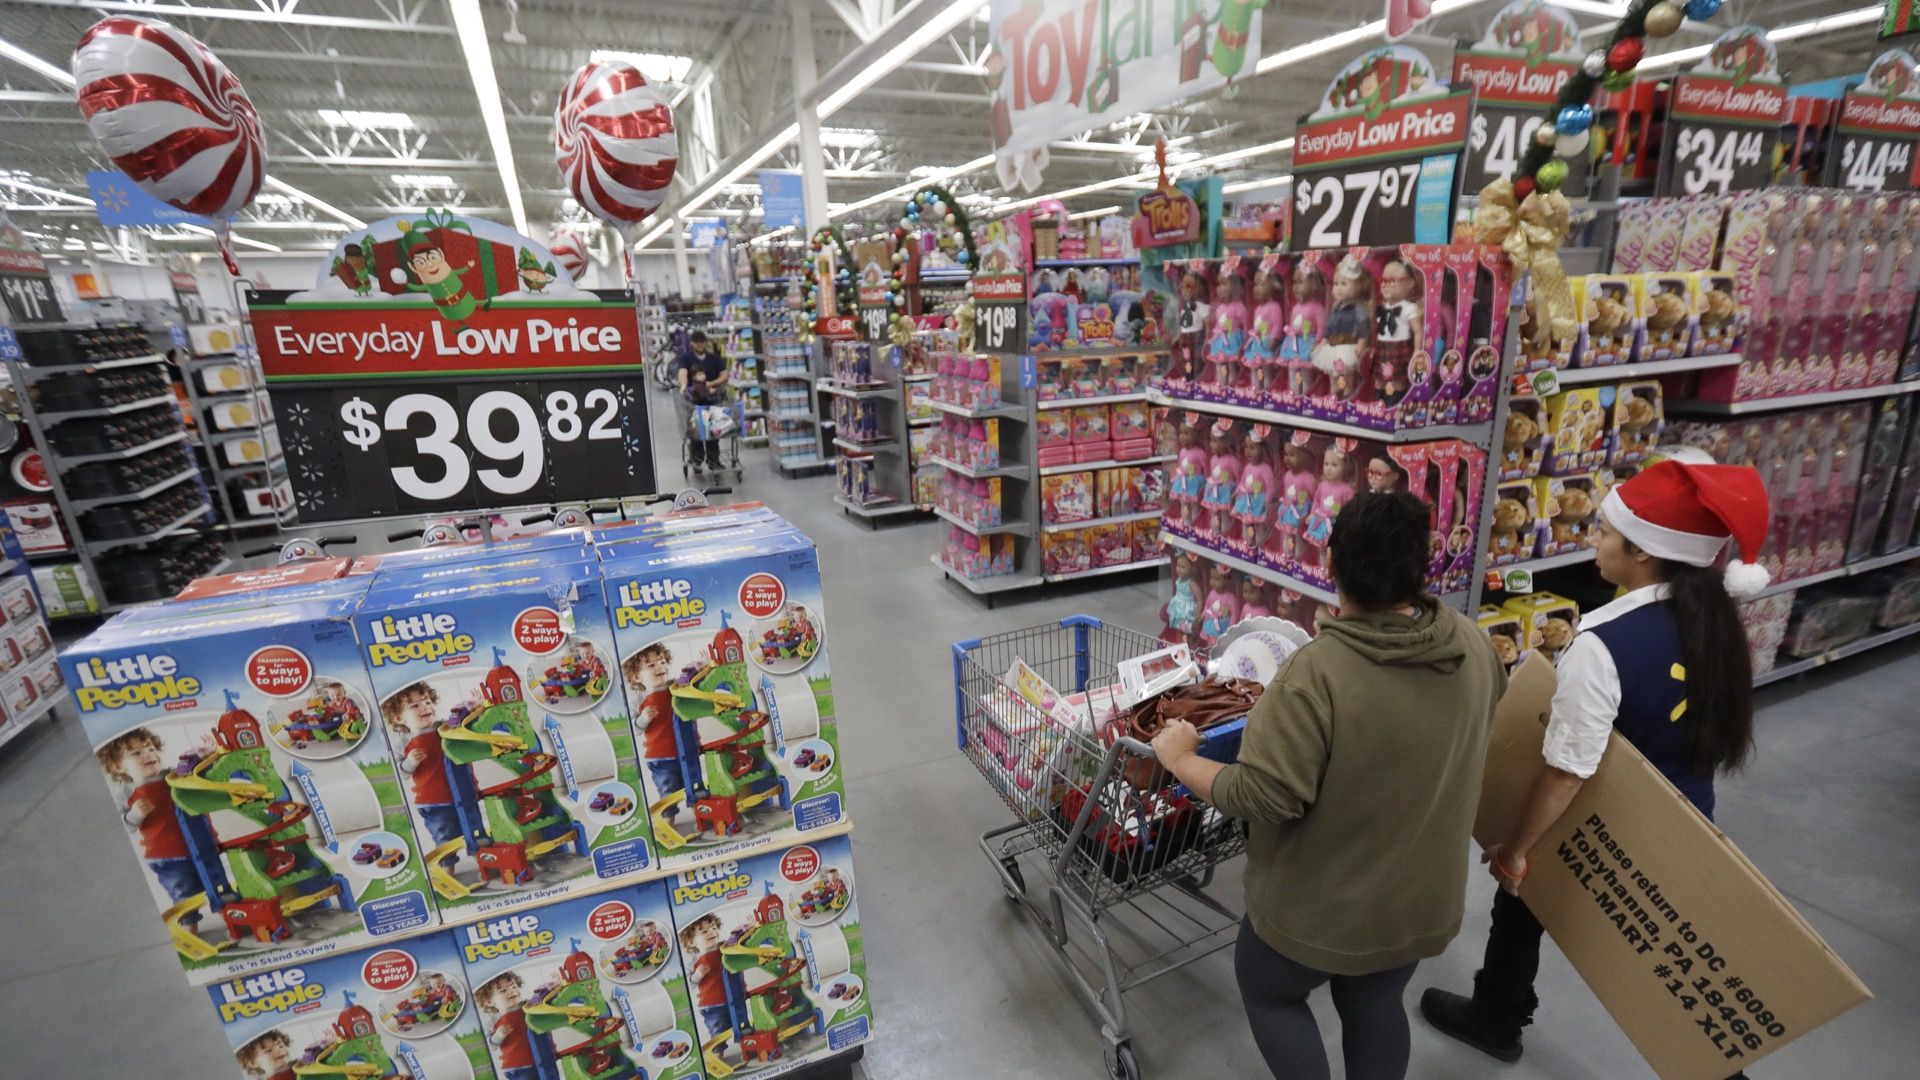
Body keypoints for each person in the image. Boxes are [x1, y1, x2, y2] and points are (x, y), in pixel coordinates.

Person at [1421, 459, 1770, 1080]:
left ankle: (1496, 1020)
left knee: (1524, 894)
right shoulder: (1713, 619)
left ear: (1643, 553)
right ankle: (1497, 1014)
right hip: (1685, 815)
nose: (1593, 538)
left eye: (1606, 531)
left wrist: (1514, 849)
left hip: (1605, 820)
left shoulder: (1602, 644)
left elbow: (1566, 773)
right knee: (1671, 959)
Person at [1151, 489, 1507, 1080]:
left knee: (1269, 993)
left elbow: (1262, 795)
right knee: (1373, 1001)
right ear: (1425, 567)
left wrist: (1182, 757)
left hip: (1318, 913)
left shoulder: (1315, 674)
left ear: (1331, 567)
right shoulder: (1472, 644)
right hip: (1417, 903)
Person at [675, 330, 730, 471]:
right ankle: (697, 458)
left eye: (702, 341)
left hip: (712, 400)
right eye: (696, 342)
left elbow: (724, 375)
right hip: (694, 401)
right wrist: (684, 385)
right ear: (692, 343)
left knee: (712, 431)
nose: (699, 345)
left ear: (706, 342)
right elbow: (682, 372)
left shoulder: (714, 358)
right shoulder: (686, 358)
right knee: (696, 431)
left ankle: (713, 460)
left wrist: (710, 384)